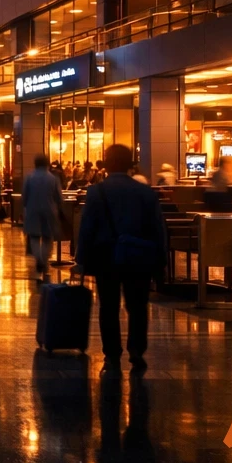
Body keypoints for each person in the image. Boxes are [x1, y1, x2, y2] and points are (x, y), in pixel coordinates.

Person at [75, 143, 167, 373]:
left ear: (107, 165)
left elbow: (87, 227)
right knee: (137, 306)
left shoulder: (97, 192)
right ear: (130, 165)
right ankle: (136, 350)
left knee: (108, 306)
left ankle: (112, 353)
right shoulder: (146, 192)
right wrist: (160, 259)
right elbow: (158, 228)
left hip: (105, 256)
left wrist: (81, 258)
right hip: (138, 256)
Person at [21, 154, 63, 282]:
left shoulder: (29, 177)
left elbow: (24, 196)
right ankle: (43, 261)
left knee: (34, 237)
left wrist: (24, 208)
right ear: (47, 164)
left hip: (32, 210)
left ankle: (38, 259)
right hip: (49, 210)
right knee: (47, 238)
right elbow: (58, 197)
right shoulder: (53, 178)